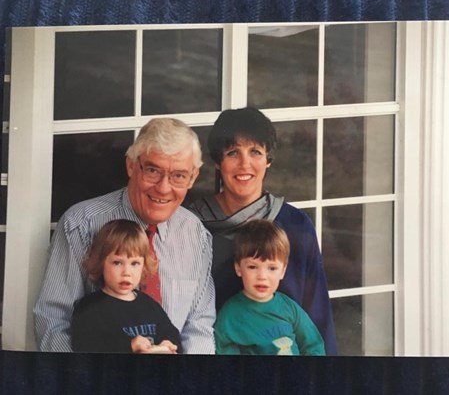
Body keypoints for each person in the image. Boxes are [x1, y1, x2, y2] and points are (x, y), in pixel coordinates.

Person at [34, 117, 216, 353]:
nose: (163, 187)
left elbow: (199, 326)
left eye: (178, 176)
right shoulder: (80, 223)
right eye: (153, 170)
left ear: (192, 177)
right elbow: (53, 322)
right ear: (131, 166)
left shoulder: (195, 234)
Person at [188, 107, 337, 355]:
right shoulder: (192, 226)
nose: (245, 164)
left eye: (255, 152)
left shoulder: (295, 225)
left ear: (268, 160)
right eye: (233, 153)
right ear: (217, 162)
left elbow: (318, 317)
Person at [215, 219, 326, 355]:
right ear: (238, 268)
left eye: (272, 268)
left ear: (283, 271)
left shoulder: (289, 308)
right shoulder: (230, 316)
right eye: (252, 267)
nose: (262, 276)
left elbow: (313, 346)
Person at [71, 219, 181, 354]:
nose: (126, 273)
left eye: (134, 263)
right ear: (101, 263)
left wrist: (168, 343)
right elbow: (85, 346)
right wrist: (129, 345)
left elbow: (172, 334)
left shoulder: (150, 305)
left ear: (144, 265)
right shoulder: (89, 308)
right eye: (117, 263)